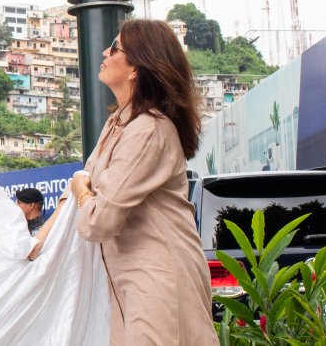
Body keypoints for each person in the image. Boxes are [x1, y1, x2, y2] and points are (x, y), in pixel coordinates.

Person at [68, 19, 217, 345]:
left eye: (116, 48)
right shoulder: (118, 124)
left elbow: (99, 220)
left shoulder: (148, 129)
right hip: (130, 283)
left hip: (158, 279)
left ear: (136, 68)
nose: (105, 52)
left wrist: (81, 193)